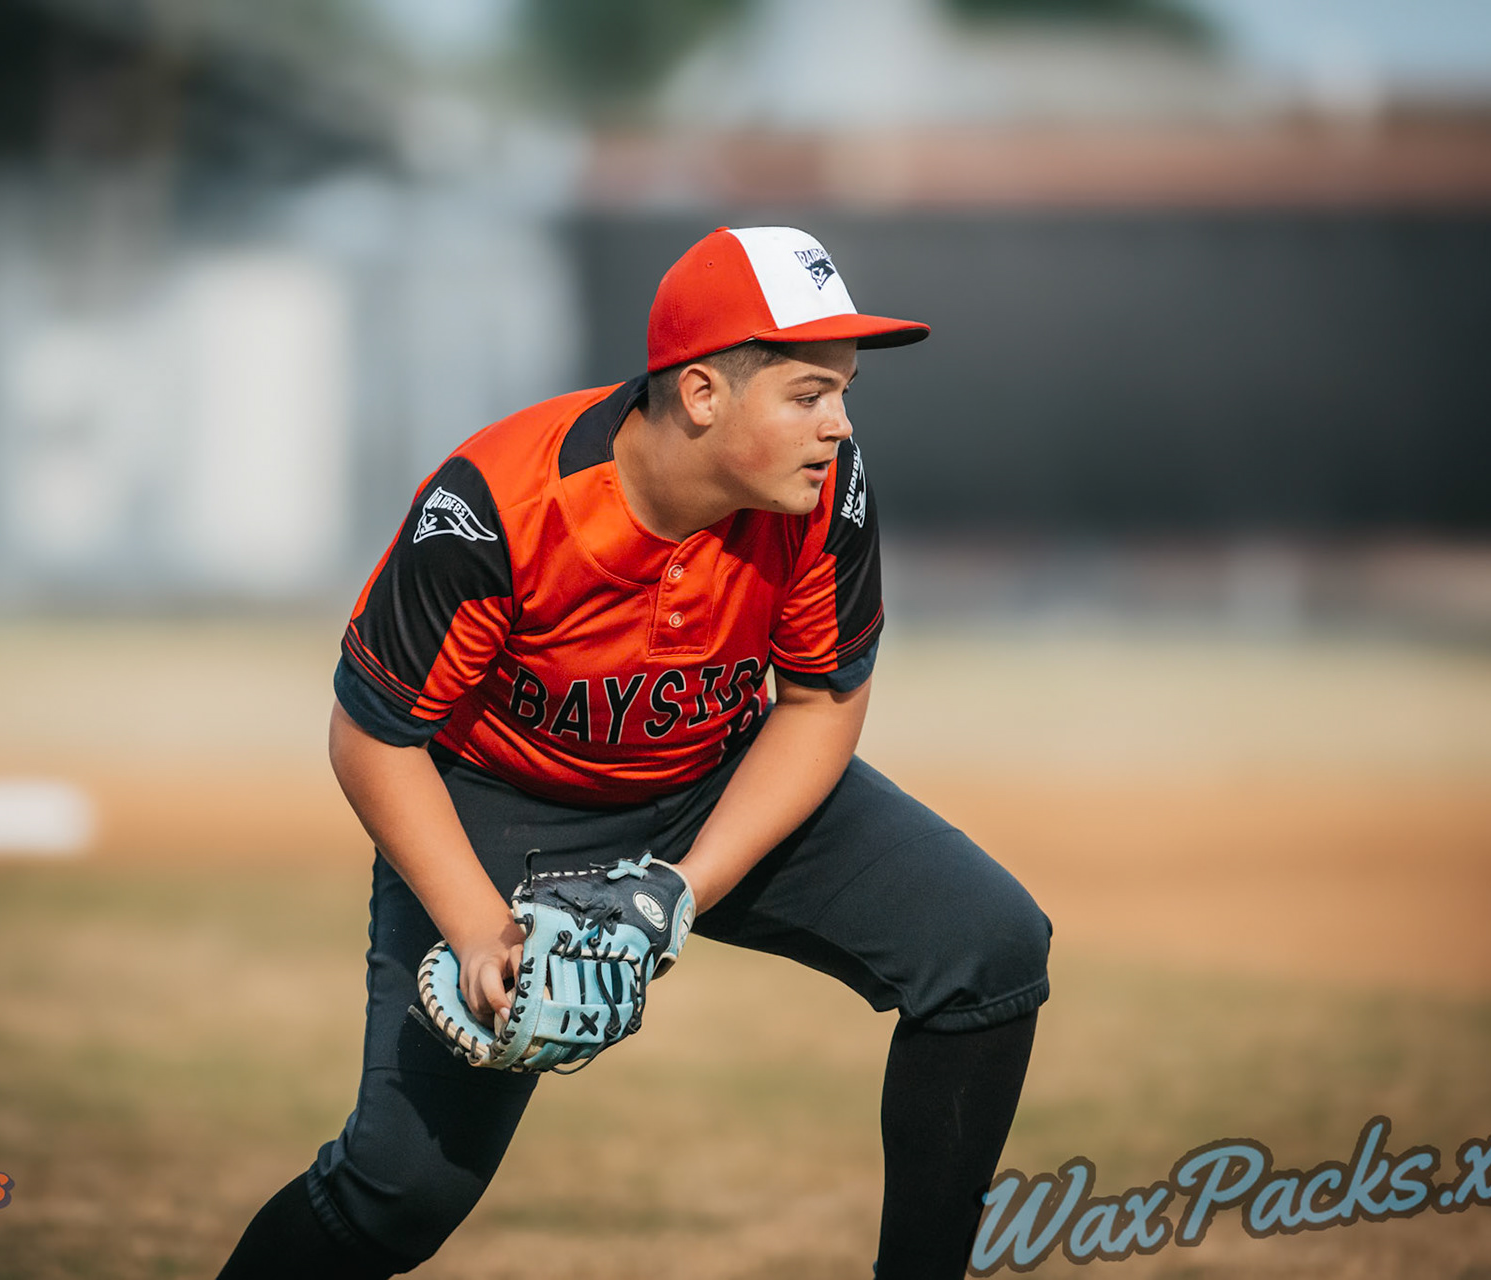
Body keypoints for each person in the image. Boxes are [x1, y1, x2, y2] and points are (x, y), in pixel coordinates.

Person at [217, 226, 1051, 1280]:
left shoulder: (822, 496)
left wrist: (678, 889)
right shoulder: (492, 508)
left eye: (842, 391)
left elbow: (819, 701)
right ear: (702, 392)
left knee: (989, 944)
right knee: (400, 1192)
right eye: (807, 393)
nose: (839, 424)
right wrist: (479, 930)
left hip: (709, 782)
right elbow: (374, 736)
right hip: (498, 804)